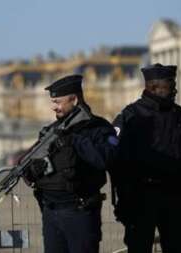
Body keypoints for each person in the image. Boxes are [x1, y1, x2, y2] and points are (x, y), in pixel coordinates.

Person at [23, 74, 118, 253]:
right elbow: (33, 162)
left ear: (74, 99)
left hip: (79, 212)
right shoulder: (52, 131)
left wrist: (74, 141)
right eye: (52, 102)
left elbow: (104, 159)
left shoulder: (97, 127)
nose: (53, 107)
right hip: (50, 212)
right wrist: (33, 170)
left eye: (57, 102)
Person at [111, 63, 181, 253]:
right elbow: (114, 157)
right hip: (140, 197)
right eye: (170, 86)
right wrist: (124, 197)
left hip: (175, 196)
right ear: (154, 88)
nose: (175, 89)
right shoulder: (131, 116)